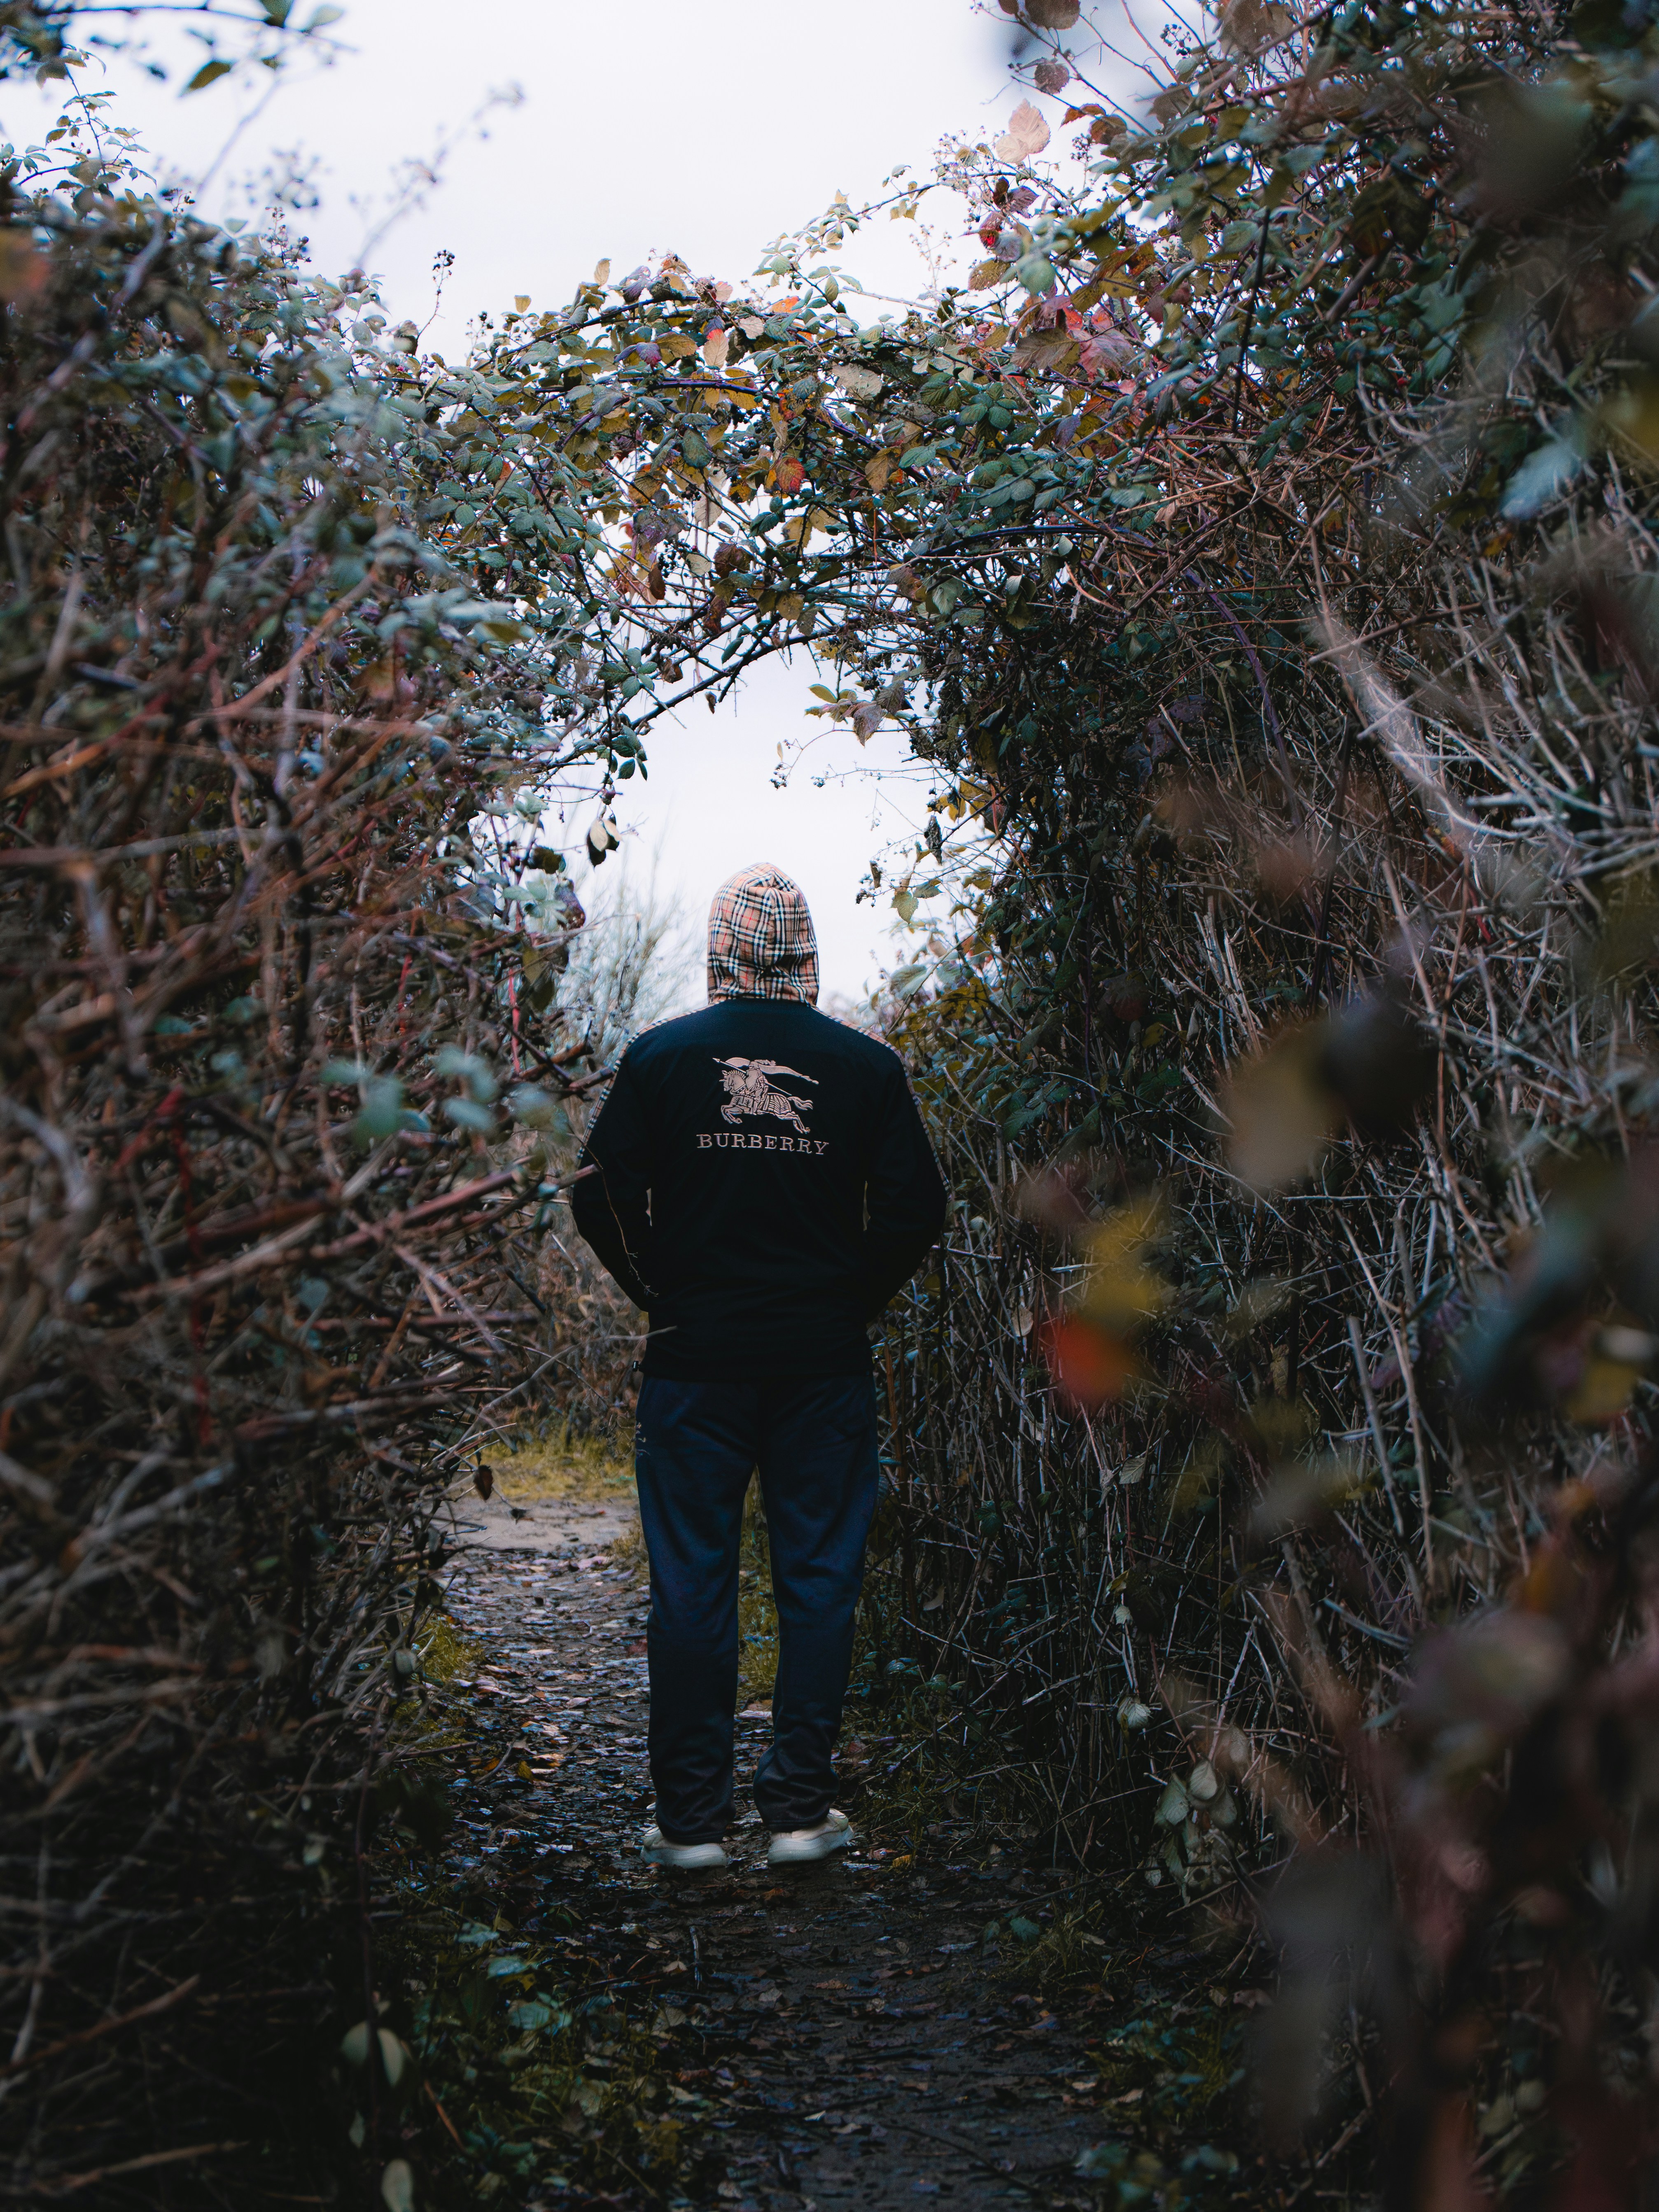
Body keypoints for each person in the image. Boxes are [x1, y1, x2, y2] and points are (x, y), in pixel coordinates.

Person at [569, 862, 947, 1869]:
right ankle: (795, 1815)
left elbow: (594, 1192)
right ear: (807, 955)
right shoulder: (865, 1070)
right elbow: (916, 1210)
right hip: (818, 1367)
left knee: (692, 1584)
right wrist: (847, 1299)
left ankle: (691, 1826)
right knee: (817, 1582)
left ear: (718, 951)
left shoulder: (661, 1059)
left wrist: (658, 1291)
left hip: (694, 1364)